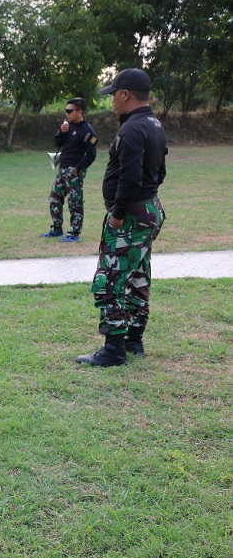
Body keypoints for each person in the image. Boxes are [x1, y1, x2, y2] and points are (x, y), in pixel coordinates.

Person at [77, 68, 167, 367]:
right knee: (138, 275)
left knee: (108, 280)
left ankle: (114, 349)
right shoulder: (154, 124)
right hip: (149, 209)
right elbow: (159, 171)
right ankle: (134, 340)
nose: (112, 100)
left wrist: (117, 214)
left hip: (129, 215)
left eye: (114, 94)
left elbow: (130, 177)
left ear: (126, 94)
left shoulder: (131, 129)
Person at [41, 98, 98, 243]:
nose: (67, 114)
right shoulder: (68, 126)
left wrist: (77, 169)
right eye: (66, 111)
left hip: (74, 171)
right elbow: (56, 143)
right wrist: (61, 132)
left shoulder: (88, 131)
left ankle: (74, 233)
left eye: (69, 111)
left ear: (79, 112)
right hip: (62, 169)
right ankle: (56, 229)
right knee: (54, 198)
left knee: (75, 202)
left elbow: (92, 155)